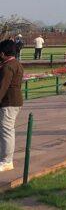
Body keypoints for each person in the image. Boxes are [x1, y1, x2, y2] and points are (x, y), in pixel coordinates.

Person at [0, 40, 25, 173]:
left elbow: (2, 87)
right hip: (13, 101)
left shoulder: (8, 66)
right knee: (5, 131)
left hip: (9, 102)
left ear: (3, 53)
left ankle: (7, 161)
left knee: (6, 131)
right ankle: (4, 158)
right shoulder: (16, 64)